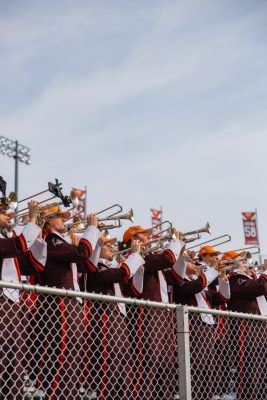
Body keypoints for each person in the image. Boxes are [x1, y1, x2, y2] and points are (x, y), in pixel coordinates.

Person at [33, 207, 100, 400]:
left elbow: (86, 264)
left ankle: (66, 394)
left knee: (73, 353)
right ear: (48, 221)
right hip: (62, 301)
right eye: (58, 217)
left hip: (72, 301)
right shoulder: (51, 240)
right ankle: (52, 393)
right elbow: (81, 253)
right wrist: (91, 229)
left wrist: (94, 239)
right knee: (64, 349)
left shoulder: (60, 241)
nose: (63, 220)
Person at [121, 225, 184, 400]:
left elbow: (177, 277)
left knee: (167, 365)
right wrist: (175, 243)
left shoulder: (151, 259)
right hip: (147, 313)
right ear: (133, 240)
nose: (148, 239)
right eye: (143, 236)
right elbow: (168, 259)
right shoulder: (136, 257)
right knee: (149, 361)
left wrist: (182, 253)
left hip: (164, 315)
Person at [80, 236, 145, 400]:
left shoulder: (114, 267)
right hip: (104, 316)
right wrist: (134, 257)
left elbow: (135, 291)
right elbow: (117, 275)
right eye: (107, 245)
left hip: (118, 318)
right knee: (109, 361)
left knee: (123, 362)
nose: (112, 248)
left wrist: (139, 269)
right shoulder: (95, 267)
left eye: (112, 245)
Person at [0, 200, 46, 399]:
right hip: (3, 300)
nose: (8, 214)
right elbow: (16, 245)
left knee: (15, 356)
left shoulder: (6, 238)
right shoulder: (7, 241)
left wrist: (38, 233)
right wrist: (32, 220)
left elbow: (31, 265)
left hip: (11, 302)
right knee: (5, 355)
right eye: (2, 211)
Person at [222, 251, 267, 400]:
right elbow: (260, 287)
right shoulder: (234, 279)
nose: (245, 262)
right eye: (240, 260)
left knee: (260, 369)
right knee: (251, 368)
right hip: (246, 327)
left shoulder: (246, 277)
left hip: (258, 326)